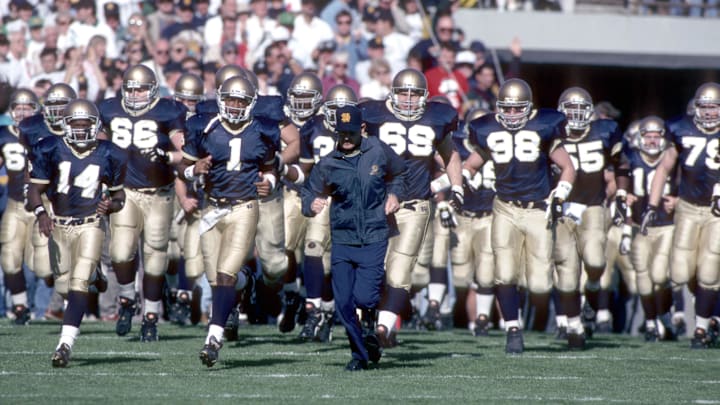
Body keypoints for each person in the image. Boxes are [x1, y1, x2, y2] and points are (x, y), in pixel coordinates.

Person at [463, 78, 576, 354]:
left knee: (539, 285)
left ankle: (565, 318)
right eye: (507, 109)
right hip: (504, 208)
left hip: (537, 209)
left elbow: (568, 167)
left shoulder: (543, 126)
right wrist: (461, 180)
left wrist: (560, 193)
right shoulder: (487, 129)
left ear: (528, 108)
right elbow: (471, 165)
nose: (512, 115)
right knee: (503, 272)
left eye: (517, 109)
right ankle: (513, 328)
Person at [177, 76, 279, 367]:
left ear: (251, 103)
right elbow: (183, 167)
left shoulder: (263, 130)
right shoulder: (203, 126)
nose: (235, 106)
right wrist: (193, 169)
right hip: (212, 209)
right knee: (218, 279)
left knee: (224, 276)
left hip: (244, 208)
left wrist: (269, 183)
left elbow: (271, 168)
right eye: (231, 100)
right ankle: (246, 283)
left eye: (241, 101)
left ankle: (213, 339)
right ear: (221, 99)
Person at [362, 68, 463, 347]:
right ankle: (371, 321)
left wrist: (454, 186)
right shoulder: (371, 115)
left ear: (424, 96)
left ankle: (383, 329)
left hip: (415, 205)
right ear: (392, 94)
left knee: (400, 268)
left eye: (414, 93)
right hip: (376, 204)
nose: (408, 99)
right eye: (403, 92)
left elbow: (451, 155)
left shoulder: (436, 119)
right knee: (373, 269)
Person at [301, 104, 406, 371]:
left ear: (362, 129)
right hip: (343, 239)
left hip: (374, 234)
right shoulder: (328, 163)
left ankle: (369, 326)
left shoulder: (379, 150)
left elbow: (399, 173)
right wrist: (311, 204)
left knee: (364, 297)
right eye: (341, 133)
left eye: (350, 133)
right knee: (344, 303)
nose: (345, 139)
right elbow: (309, 192)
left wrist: (395, 194)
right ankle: (359, 355)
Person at [27, 99, 126, 367]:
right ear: (65, 125)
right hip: (58, 223)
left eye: (86, 125)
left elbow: (120, 197)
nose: (81, 130)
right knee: (60, 284)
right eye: (76, 124)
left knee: (77, 284)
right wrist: (41, 213)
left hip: (91, 223)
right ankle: (95, 274)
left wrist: (111, 206)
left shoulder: (110, 152)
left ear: (96, 126)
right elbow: (34, 189)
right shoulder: (49, 148)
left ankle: (65, 344)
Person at [98, 64, 186, 341]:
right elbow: (99, 147)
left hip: (160, 193)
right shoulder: (110, 109)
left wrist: (167, 157)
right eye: (130, 89)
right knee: (121, 253)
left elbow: (185, 153)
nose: (135, 95)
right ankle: (126, 298)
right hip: (125, 191)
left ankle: (150, 315)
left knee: (155, 255)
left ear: (153, 89)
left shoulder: (169, 110)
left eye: (141, 89)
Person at [641, 82, 720, 349]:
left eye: (714, 107)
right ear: (696, 108)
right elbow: (663, 169)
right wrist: (652, 206)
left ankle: (701, 328)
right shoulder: (680, 128)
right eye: (705, 107)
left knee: (709, 269)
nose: (709, 113)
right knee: (681, 271)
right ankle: (710, 316)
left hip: (715, 211)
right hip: (687, 206)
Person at [552, 86, 622, 347]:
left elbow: (617, 170)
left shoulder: (605, 132)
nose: (575, 115)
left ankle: (592, 292)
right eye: (570, 110)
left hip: (593, 206)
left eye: (580, 110)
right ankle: (574, 327)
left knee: (594, 263)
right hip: (562, 208)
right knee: (567, 273)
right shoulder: (551, 134)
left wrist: (619, 195)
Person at [625, 116, 678, 342]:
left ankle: (665, 316)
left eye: (657, 136)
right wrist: (622, 193)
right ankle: (650, 323)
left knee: (660, 275)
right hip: (640, 227)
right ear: (640, 137)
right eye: (649, 136)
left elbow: (692, 181)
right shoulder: (631, 158)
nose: (653, 141)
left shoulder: (672, 159)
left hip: (666, 225)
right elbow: (616, 178)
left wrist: (679, 199)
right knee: (643, 277)